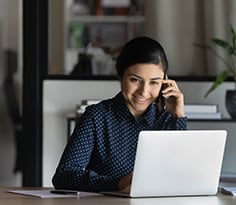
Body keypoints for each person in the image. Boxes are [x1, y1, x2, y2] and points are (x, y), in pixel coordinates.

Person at [52, 36, 187, 192]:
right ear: (120, 75)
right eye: (135, 80)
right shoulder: (96, 117)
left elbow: (182, 175)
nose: (144, 91)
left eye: (154, 82)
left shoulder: (168, 119)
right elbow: (64, 176)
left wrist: (179, 116)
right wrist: (117, 184)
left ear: (165, 81)